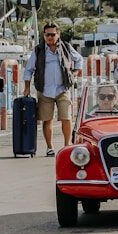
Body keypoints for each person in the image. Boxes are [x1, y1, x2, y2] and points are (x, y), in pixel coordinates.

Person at [23, 22, 83, 156]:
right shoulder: (38, 50)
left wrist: (74, 73)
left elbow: (79, 59)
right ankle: (50, 147)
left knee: (66, 118)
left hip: (63, 89)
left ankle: (67, 145)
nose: (50, 37)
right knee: (47, 119)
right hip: (44, 90)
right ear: (43, 35)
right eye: (47, 34)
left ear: (58, 34)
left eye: (52, 34)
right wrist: (27, 87)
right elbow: (28, 70)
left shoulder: (66, 47)